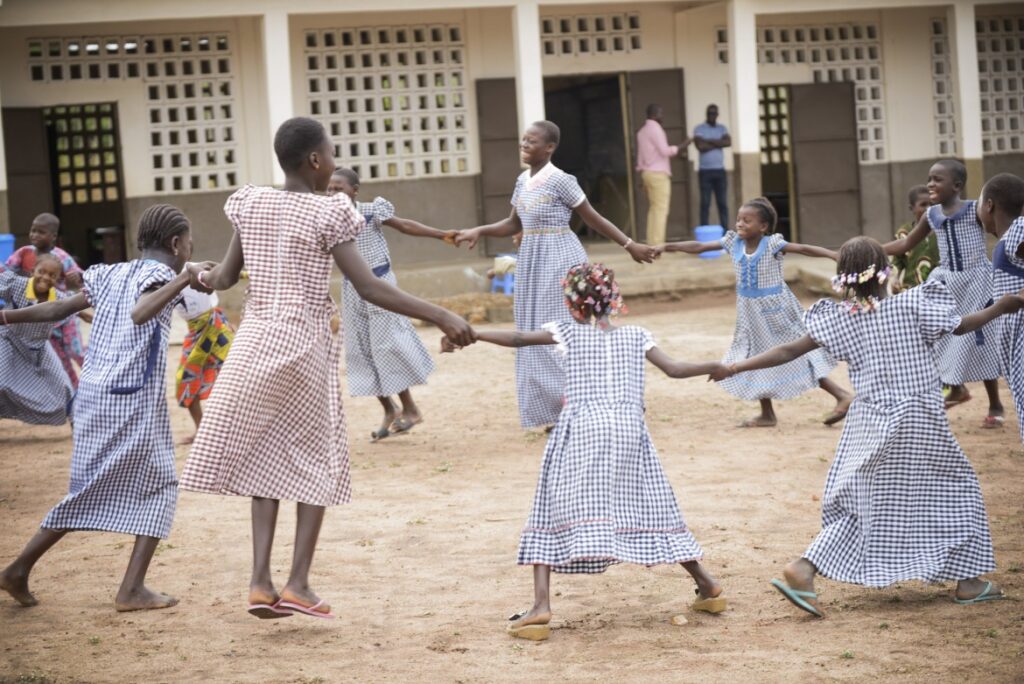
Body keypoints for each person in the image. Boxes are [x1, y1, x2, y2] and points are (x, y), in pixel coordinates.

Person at [179, 117, 476, 620]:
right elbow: (370, 288)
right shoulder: (330, 212)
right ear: (316, 161)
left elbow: (225, 277)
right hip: (302, 343)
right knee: (316, 456)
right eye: (332, 153)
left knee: (264, 456)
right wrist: (441, 313)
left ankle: (258, 582)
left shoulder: (251, 202)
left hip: (254, 340)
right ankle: (296, 583)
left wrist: (199, 273)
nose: (334, 162)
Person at [710, 236, 1022, 616]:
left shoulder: (840, 318)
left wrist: (737, 365)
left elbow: (790, 349)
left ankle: (805, 568)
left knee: (869, 502)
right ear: (885, 272)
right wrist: (1003, 306)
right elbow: (961, 326)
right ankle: (968, 582)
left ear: (843, 278)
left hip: (869, 422)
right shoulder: (914, 304)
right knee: (956, 489)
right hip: (918, 420)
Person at [441, 263, 726, 641]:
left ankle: (541, 607)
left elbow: (518, 339)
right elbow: (674, 369)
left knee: (551, 505)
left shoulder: (567, 333)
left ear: (572, 304)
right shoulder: (637, 335)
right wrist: (716, 366)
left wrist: (471, 335)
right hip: (628, 429)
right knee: (651, 503)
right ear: (614, 300)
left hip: (583, 429)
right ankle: (707, 584)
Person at [0, 204, 200, 612]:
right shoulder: (161, 275)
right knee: (133, 486)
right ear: (177, 244)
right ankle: (34, 570)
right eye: (188, 243)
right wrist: (184, 277)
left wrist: (6, 316)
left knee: (151, 483)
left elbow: (58, 308)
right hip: (130, 398)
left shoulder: (109, 272)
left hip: (92, 394)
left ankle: (123, 585)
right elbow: (142, 312)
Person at [454, 120, 657, 429]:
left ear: (549, 148)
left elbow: (593, 217)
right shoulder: (523, 181)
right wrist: (479, 230)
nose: (524, 145)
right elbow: (513, 225)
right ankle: (558, 411)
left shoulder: (562, 180)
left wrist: (629, 245)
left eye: (531, 141)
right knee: (534, 329)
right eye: (523, 140)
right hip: (533, 261)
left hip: (561, 259)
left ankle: (584, 403)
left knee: (560, 331)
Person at [657, 197, 852, 427]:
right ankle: (767, 414)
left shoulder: (772, 245)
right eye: (738, 219)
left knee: (797, 354)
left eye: (747, 221)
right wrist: (666, 247)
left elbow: (803, 248)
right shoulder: (733, 243)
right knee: (754, 357)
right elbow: (699, 247)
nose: (740, 224)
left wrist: (832, 254)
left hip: (776, 313)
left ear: (763, 227)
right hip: (750, 314)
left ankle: (841, 394)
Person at [328, 167, 455, 441]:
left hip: (382, 285)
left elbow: (406, 225)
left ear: (354, 190)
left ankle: (410, 408)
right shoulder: (328, 218)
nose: (333, 193)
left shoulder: (372, 211)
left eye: (339, 188)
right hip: (353, 289)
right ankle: (389, 409)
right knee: (362, 350)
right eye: (329, 189)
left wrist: (440, 234)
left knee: (386, 347)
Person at [884, 160, 1004, 428]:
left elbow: (999, 232)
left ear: (957, 185)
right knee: (938, 337)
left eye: (937, 179)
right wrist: (873, 248)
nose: (930, 184)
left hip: (976, 281)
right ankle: (954, 390)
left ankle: (995, 402)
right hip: (946, 282)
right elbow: (906, 243)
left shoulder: (975, 210)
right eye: (929, 179)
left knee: (979, 340)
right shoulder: (932, 215)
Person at [6, 213, 87, 387]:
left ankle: (98, 381)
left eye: (40, 232)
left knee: (76, 351)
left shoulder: (61, 257)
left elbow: (80, 276)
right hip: (41, 319)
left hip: (64, 314)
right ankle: (73, 396)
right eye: (33, 230)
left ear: (53, 237)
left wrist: (77, 278)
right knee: (60, 361)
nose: (34, 235)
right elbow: (6, 271)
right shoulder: (24, 253)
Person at [975, 172, 1024, 441]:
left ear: (989, 205)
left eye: (979, 205)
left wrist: (1018, 297)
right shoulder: (1005, 244)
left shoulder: (1017, 230)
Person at [0, 254, 74, 426]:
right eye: (42, 272)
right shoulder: (17, 284)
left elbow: (77, 305)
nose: (46, 278)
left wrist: (87, 314)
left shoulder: (60, 299)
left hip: (38, 347)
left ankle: (76, 420)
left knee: (64, 386)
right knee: (1, 383)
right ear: (32, 271)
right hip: (8, 340)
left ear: (57, 279)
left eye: (52, 275)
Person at [174, 284, 234, 444]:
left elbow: (219, 280)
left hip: (217, 325)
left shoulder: (195, 268)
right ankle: (201, 432)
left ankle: (234, 431)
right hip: (194, 331)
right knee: (185, 382)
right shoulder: (163, 276)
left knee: (234, 380)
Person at [636, 103, 687, 246]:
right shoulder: (656, 129)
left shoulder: (641, 132)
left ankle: (652, 243)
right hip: (658, 174)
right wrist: (682, 146)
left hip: (646, 173)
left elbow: (640, 157)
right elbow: (665, 151)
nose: (662, 116)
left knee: (653, 209)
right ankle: (657, 246)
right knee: (660, 210)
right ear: (654, 115)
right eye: (660, 113)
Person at [891, 185, 940, 291]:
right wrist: (894, 278)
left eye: (932, 204)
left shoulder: (942, 231)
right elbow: (897, 261)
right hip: (912, 290)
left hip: (939, 289)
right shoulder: (904, 232)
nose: (928, 208)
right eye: (923, 205)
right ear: (912, 208)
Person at [692, 104, 731, 228]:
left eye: (714, 113)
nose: (711, 116)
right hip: (705, 172)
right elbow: (700, 147)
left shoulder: (722, 128)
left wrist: (708, 140)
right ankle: (704, 231)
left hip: (720, 171)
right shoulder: (699, 128)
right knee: (705, 203)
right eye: (709, 113)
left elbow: (728, 142)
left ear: (717, 115)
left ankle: (726, 232)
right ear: (706, 114)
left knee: (722, 203)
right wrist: (718, 142)